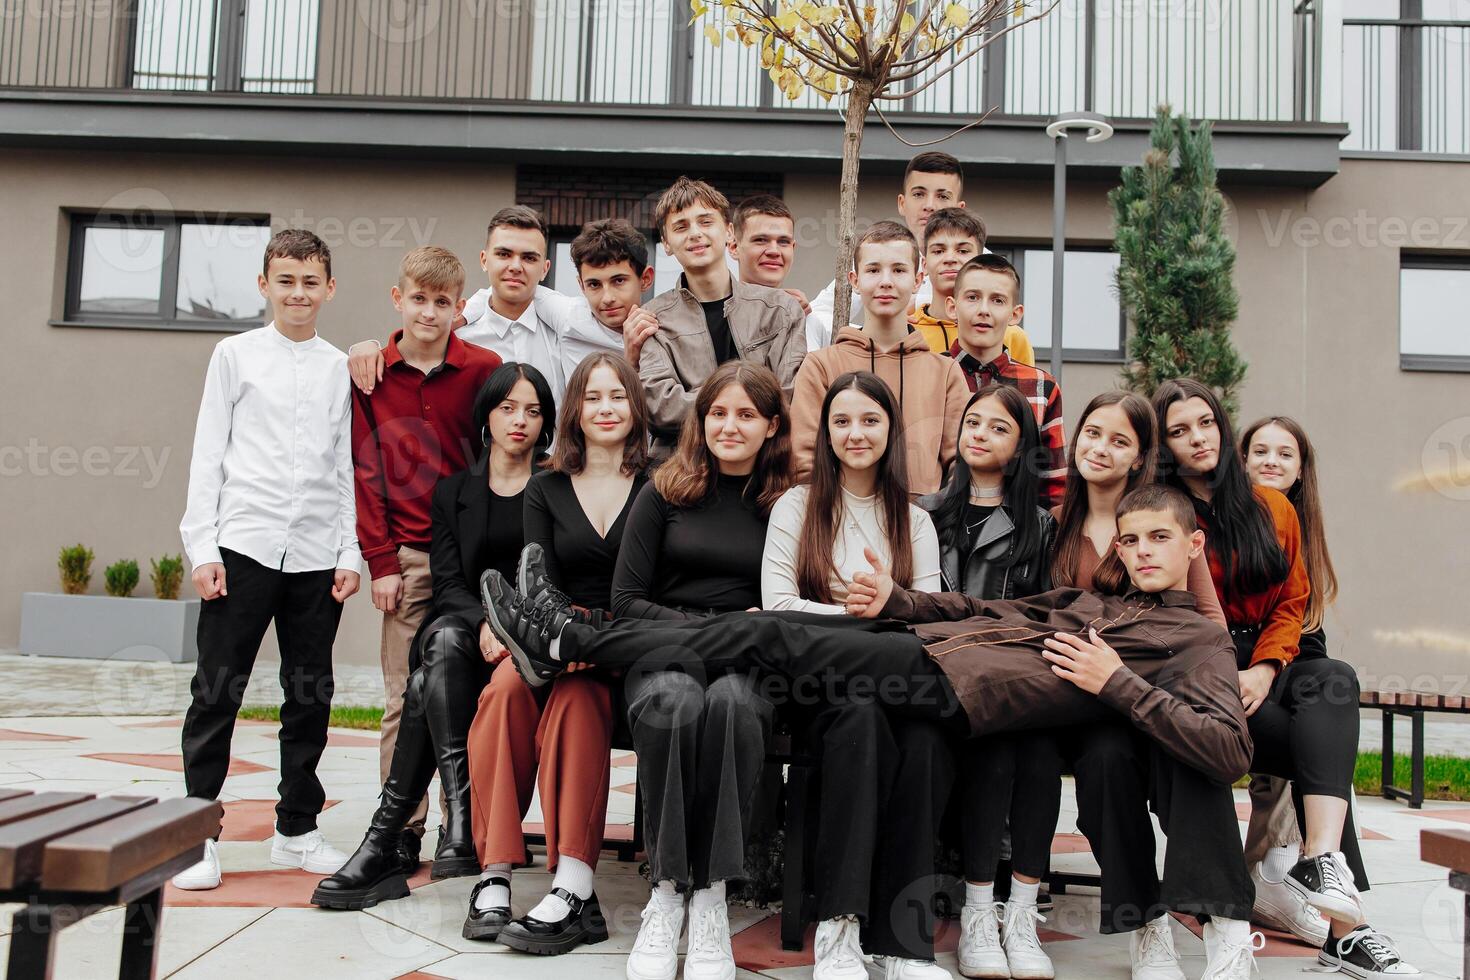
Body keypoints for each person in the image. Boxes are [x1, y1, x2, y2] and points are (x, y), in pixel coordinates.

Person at [1156, 380, 1419, 978]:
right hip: (1203, 667)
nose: (1196, 438)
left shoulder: (1270, 506)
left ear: (1222, 427)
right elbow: (1176, 613)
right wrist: (1231, 672)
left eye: (1204, 423)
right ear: (1164, 445)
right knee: (1317, 742)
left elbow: (1292, 600)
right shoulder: (1163, 509)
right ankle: (1348, 933)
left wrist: (1266, 667)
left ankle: (1321, 858)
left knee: (1333, 679)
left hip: (1271, 659)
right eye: (1178, 430)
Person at [311, 363, 555, 911]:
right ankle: (456, 819)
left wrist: (509, 625)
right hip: (470, 631)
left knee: (422, 686)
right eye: (507, 408)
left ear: (547, 423)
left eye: (534, 411)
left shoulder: (556, 486)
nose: (520, 421)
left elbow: (554, 579)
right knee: (442, 641)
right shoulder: (453, 492)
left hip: (533, 638)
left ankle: (396, 833)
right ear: (486, 417)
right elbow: (448, 583)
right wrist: (483, 623)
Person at [1051, 392, 1261, 980]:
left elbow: (1205, 622)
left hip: (1156, 684)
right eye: (1092, 434)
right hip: (1086, 702)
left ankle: (1227, 927)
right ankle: (1146, 926)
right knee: (1107, 761)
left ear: (1139, 455)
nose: (1101, 449)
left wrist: (1217, 678)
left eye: (1120, 440)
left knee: (1189, 749)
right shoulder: (1055, 526)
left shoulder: (1163, 518)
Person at [174, 229, 361, 890]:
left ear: (329, 288)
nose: (298, 293)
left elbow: (346, 469)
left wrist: (350, 552)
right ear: (265, 285)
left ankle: (297, 831)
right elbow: (206, 453)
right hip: (241, 547)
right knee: (216, 692)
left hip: (315, 557)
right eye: (286, 280)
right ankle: (196, 836)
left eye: (311, 282)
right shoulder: (234, 356)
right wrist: (203, 547)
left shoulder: (341, 368)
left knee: (308, 696)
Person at [761, 370, 948, 980]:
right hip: (815, 690)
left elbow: (927, 619)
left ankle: (901, 945)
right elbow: (778, 607)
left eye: (869, 419)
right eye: (841, 420)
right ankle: (839, 931)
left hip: (894, 688)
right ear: (826, 430)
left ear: (890, 429)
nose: (855, 433)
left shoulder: (914, 521)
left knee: (924, 742)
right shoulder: (797, 505)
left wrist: (890, 601)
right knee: (861, 718)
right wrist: (862, 611)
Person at [461, 352, 651, 954]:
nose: (605, 408)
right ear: (575, 410)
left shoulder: (659, 486)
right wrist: (547, 633)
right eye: (593, 397)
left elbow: (651, 592)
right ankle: (494, 871)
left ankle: (575, 883)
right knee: (503, 693)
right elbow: (537, 581)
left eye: (617, 396)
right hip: (555, 637)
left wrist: (590, 639)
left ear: (635, 407)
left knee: (574, 700)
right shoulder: (545, 488)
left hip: (623, 647)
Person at [612, 361, 793, 980]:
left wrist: (743, 633)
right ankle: (667, 892)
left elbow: (791, 604)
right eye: (718, 412)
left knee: (734, 708)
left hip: (751, 658)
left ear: (772, 425)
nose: (730, 425)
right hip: (666, 649)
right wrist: (707, 629)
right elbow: (625, 601)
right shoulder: (664, 489)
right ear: (700, 420)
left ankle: (712, 896)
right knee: (674, 704)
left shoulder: (786, 503)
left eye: (746, 414)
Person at [350, 246, 502, 870]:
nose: (429, 312)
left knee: (467, 694)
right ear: (398, 299)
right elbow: (364, 472)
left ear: (460, 308)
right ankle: (400, 825)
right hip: (409, 559)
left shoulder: (484, 368)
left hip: (469, 563)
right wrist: (380, 561)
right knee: (403, 697)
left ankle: (458, 825)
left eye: (442, 302)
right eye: (419, 299)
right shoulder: (370, 374)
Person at [919, 384, 1059, 980]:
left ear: (1022, 445)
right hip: (932, 675)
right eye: (972, 422)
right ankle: (977, 907)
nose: (978, 433)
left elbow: (1041, 621)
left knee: (1029, 748)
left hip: (1007, 681)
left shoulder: (1041, 528)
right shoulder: (924, 513)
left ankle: (1011, 912)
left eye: (998, 427)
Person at [345, 207, 616, 406]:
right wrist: (368, 347)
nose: (515, 266)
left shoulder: (567, 330)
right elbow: (413, 348)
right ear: (484, 260)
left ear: (545, 269)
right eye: (504, 254)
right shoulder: (457, 337)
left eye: (529, 257)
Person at [790, 221, 970, 496]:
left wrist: (935, 517)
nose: (886, 281)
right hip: (839, 523)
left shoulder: (945, 372)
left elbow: (959, 461)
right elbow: (804, 462)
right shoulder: (821, 366)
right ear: (855, 281)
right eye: (873, 270)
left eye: (899, 270)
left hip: (922, 526)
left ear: (918, 280)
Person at [638, 177, 808, 454]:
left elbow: (790, 397)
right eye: (681, 226)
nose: (695, 233)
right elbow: (662, 408)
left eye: (706, 222)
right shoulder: (654, 319)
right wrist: (748, 411)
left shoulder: (779, 310)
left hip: (763, 473)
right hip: (680, 470)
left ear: (729, 232)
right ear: (666, 243)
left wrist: (709, 408)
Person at [809, 150, 967, 343]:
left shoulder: (984, 264)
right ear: (902, 203)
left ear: (960, 209)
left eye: (942, 196)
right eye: (919, 194)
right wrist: (874, 332)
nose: (929, 205)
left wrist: (918, 303)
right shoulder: (874, 255)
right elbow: (820, 313)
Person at [947, 254, 1065, 508]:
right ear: (952, 307)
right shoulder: (931, 373)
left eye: (997, 300)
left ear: (1015, 314)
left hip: (1017, 533)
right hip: (936, 528)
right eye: (972, 297)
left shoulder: (1041, 386)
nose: (983, 310)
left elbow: (1053, 482)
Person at [908, 208, 1033, 366]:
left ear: (980, 259)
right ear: (924, 264)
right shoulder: (907, 333)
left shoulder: (1011, 334)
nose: (950, 258)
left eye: (962, 251)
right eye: (939, 251)